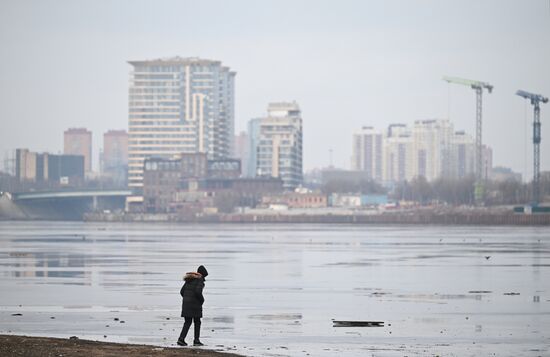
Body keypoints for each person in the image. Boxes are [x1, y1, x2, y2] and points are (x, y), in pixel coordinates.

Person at [177, 265, 208, 346]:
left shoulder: (189, 279)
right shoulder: (199, 280)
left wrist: (187, 299)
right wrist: (202, 300)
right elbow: (198, 292)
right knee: (197, 322)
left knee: (187, 322)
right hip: (195, 305)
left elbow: (182, 292)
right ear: (203, 274)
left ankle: (181, 339)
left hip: (186, 304)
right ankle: (196, 340)